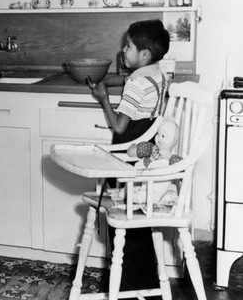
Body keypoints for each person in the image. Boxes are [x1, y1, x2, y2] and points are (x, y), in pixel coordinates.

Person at [90, 19, 170, 292]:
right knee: (138, 222)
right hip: (145, 154)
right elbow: (128, 79)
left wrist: (104, 98)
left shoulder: (135, 85)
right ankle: (144, 283)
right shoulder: (157, 73)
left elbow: (119, 125)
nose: (123, 50)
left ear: (144, 54)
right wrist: (108, 81)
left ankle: (124, 285)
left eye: (129, 46)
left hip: (126, 154)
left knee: (121, 223)